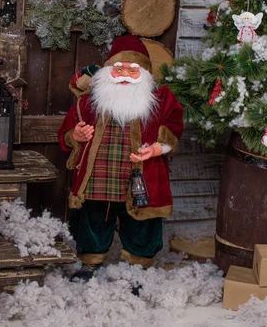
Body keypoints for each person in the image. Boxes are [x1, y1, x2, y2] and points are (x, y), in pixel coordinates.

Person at [58, 34, 184, 282]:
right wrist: (76, 135)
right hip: (98, 179)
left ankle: (137, 267)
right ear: (107, 71)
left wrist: (159, 147)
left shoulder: (161, 101)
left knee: (142, 225)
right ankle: (91, 261)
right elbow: (65, 135)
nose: (125, 73)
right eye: (119, 68)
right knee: (93, 220)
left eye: (133, 69)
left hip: (141, 179)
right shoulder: (88, 104)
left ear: (145, 74)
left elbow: (175, 128)